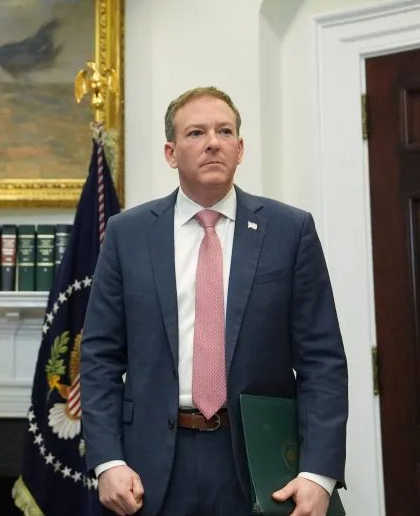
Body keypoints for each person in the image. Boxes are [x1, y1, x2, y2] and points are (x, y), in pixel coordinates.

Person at [80, 86, 348, 515]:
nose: (212, 142)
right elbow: (99, 358)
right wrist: (107, 460)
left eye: (225, 131)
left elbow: (323, 361)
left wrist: (320, 473)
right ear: (171, 153)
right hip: (150, 465)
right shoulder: (127, 235)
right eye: (196, 133)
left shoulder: (289, 231)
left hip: (259, 462)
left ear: (240, 149)